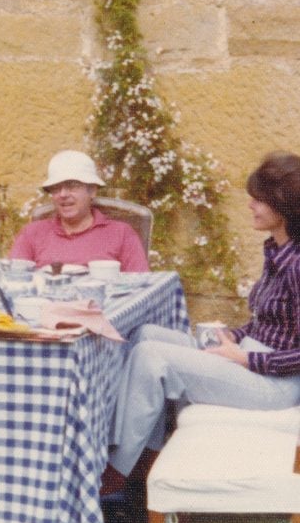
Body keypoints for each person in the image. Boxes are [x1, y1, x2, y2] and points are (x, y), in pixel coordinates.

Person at [101, 150, 300, 496]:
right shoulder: (276, 250)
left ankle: (117, 471)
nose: (250, 205)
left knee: (152, 355)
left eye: (259, 200)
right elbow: (269, 319)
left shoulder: (298, 265)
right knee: (144, 333)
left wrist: (245, 358)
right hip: (251, 357)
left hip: (274, 385)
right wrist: (234, 335)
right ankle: (147, 457)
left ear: (283, 207)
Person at [9, 150, 149, 271]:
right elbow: (12, 281)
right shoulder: (32, 233)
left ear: (92, 190)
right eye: (56, 188)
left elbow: (142, 287)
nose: (63, 194)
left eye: (72, 186)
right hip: (46, 301)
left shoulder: (121, 233)